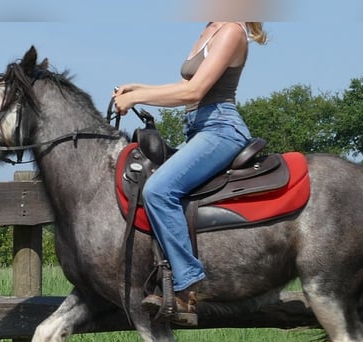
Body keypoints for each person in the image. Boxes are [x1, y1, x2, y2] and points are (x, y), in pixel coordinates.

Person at [113, 22, 268, 325]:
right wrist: (139, 89)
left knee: (158, 190)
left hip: (221, 129)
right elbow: (185, 87)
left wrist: (137, 98)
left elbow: (193, 91)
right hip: (198, 129)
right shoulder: (210, 29)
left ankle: (187, 285)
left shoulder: (232, 31)